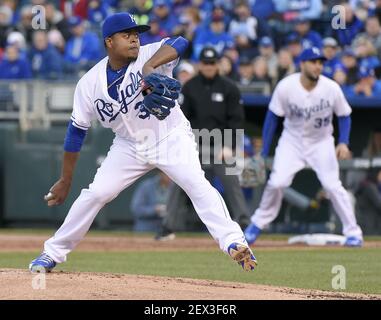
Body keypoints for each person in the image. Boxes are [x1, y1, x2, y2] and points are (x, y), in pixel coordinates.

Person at [28, 13, 257, 273]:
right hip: (128, 145)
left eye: (137, 34)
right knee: (96, 194)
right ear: (109, 41)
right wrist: (65, 179)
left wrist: (149, 68)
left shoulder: (151, 54)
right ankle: (51, 253)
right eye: (127, 35)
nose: (135, 39)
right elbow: (76, 131)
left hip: (170, 136)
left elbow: (181, 41)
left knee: (197, 184)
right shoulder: (89, 84)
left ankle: (234, 242)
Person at [244, 47, 364, 247]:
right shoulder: (286, 86)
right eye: (313, 62)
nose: (318, 66)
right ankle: (256, 225)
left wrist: (343, 141)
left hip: (322, 142)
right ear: (302, 64)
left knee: (333, 186)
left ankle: (354, 233)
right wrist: (264, 150)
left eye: (320, 62)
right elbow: (272, 117)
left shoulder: (331, 87)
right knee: (277, 182)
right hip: (292, 141)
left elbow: (344, 115)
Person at [156, 46, 251, 240]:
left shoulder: (229, 87)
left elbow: (236, 120)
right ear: (200, 65)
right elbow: (182, 118)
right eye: (205, 63)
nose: (209, 67)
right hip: (195, 141)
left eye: (212, 63)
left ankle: (244, 223)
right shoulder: (190, 87)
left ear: (217, 64)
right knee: (179, 181)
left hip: (220, 142)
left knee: (231, 180)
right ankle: (168, 227)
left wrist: (229, 145)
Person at [355, 169, 381, 235]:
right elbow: (379, 204)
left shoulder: (369, 185)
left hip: (366, 220)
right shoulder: (369, 186)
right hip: (369, 222)